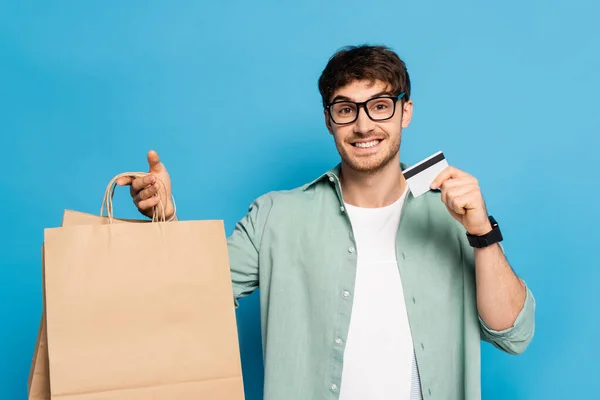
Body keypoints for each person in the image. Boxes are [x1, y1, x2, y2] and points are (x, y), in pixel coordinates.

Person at [116, 45, 535, 400]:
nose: (364, 124)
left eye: (380, 106)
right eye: (346, 109)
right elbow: (192, 301)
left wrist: (481, 232)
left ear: (405, 112)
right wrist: (165, 221)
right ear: (328, 119)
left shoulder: (451, 214)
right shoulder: (275, 216)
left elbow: (513, 335)